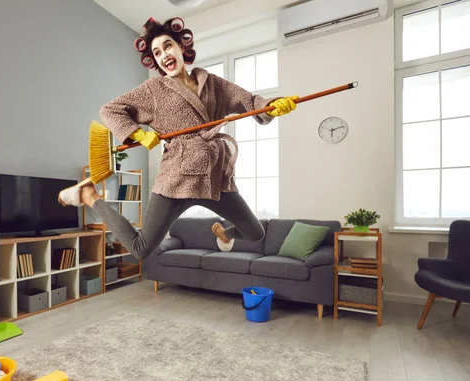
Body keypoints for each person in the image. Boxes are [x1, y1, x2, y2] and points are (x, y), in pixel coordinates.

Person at [59, 17, 298, 258]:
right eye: (157, 52)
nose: (164, 55)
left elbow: (248, 101)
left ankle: (225, 234)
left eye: (168, 46)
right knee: (141, 249)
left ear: (181, 47)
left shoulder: (211, 82)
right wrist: (138, 133)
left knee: (256, 232)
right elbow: (109, 110)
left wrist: (272, 105)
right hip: (177, 178)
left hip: (214, 177)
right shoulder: (153, 90)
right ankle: (90, 196)